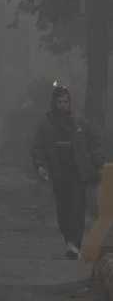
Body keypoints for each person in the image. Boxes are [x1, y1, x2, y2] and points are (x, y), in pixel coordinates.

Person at [31, 84, 103, 259]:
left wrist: (96, 161)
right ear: (54, 103)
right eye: (60, 101)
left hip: (77, 173)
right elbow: (38, 147)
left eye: (66, 101)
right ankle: (68, 240)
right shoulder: (46, 124)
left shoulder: (79, 122)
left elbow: (95, 141)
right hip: (58, 173)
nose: (63, 105)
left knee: (77, 209)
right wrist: (40, 166)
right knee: (63, 211)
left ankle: (74, 245)